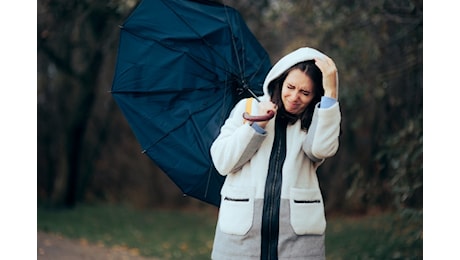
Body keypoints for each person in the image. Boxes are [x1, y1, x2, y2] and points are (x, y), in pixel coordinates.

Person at [209, 47, 341, 260]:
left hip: (297, 239)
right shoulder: (249, 107)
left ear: (316, 95)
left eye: (305, 93)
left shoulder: (316, 120)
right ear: (280, 80)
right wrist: (255, 126)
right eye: (290, 87)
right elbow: (223, 161)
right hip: (241, 237)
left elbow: (322, 149)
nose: (294, 97)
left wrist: (331, 94)